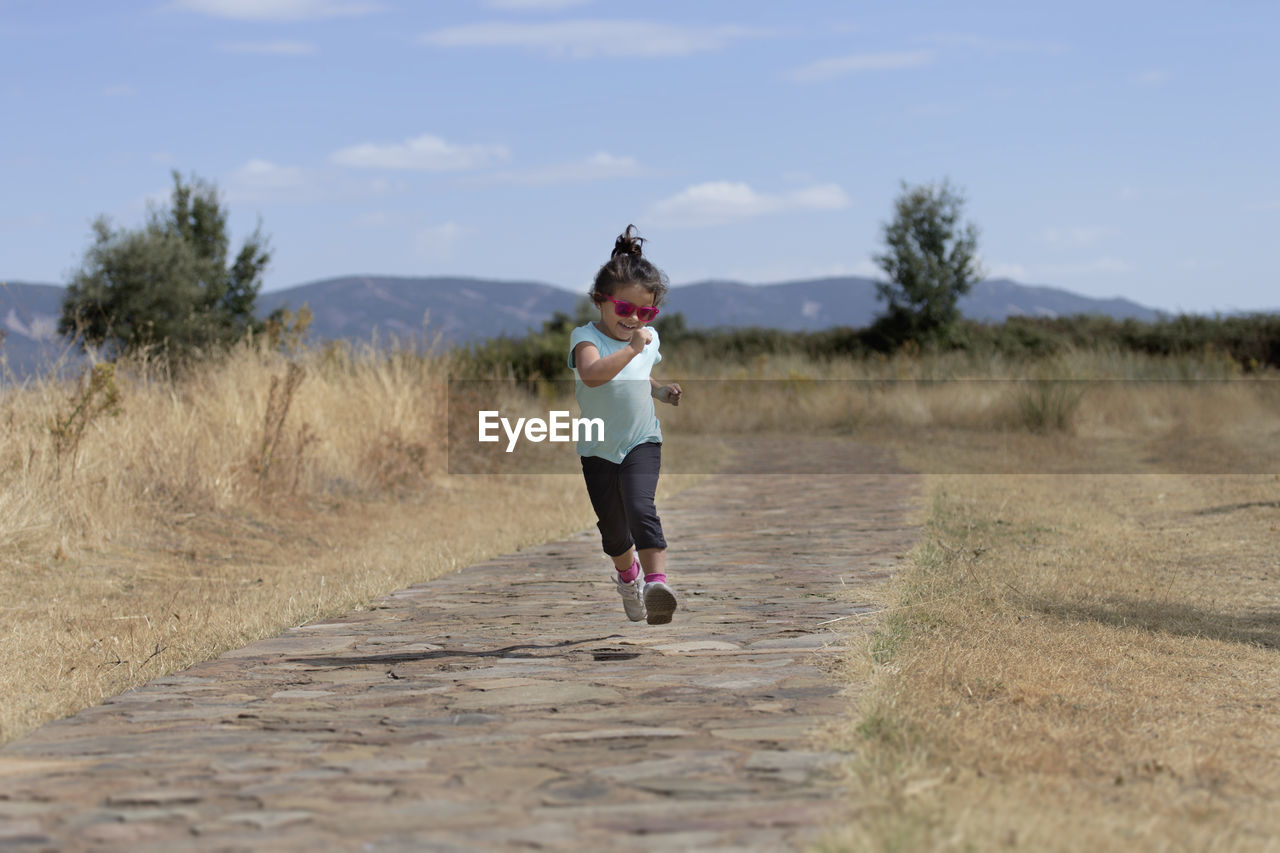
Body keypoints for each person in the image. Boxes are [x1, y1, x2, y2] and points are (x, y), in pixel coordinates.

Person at [568, 225, 683, 625]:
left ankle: (656, 583)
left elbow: (638, 374)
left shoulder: (646, 340)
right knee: (615, 533)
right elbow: (594, 376)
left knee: (640, 507)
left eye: (645, 312)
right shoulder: (585, 339)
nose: (634, 319)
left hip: (641, 441)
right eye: (624, 309)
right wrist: (633, 348)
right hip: (598, 448)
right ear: (600, 302)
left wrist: (660, 392)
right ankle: (628, 577)